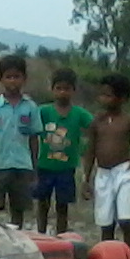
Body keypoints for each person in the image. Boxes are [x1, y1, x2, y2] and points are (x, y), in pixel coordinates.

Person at [82, 72, 130, 255]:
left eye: (108, 95)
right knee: (105, 223)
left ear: (122, 98)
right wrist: (86, 178)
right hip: (103, 174)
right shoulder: (97, 122)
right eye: (101, 94)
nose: (103, 99)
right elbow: (90, 151)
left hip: (124, 173)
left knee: (126, 221)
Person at [0, 54, 40, 227]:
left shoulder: (31, 107)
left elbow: (34, 139)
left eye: (17, 77)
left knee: (18, 209)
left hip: (22, 166)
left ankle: (16, 239)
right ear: (1, 79)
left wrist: (34, 168)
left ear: (24, 79)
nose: (13, 81)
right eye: (8, 77)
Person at [33, 67, 96, 234]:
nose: (62, 92)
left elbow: (95, 129)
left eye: (66, 89)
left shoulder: (79, 114)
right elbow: (29, 130)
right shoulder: (43, 111)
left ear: (74, 90)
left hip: (66, 168)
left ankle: (60, 236)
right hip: (44, 166)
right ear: (52, 90)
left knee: (62, 206)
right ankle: (41, 235)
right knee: (42, 204)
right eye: (58, 88)